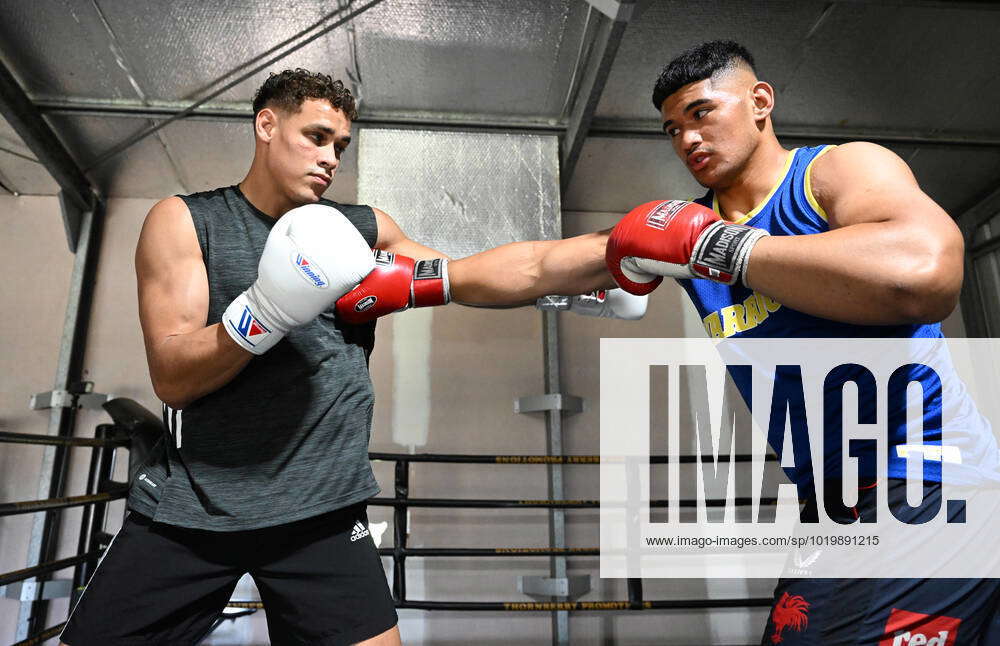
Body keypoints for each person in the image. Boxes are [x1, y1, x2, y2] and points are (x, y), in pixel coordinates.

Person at [58, 69, 642, 646]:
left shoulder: (361, 231)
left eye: (340, 146)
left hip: (323, 511)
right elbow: (172, 377)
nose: (332, 158)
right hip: (195, 505)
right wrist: (266, 309)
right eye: (315, 137)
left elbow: (473, 276)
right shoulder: (189, 220)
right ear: (266, 124)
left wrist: (599, 268)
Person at [603, 40, 1000, 644]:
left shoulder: (832, 173)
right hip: (845, 501)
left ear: (759, 101)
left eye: (701, 112)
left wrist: (729, 251)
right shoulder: (683, 231)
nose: (686, 139)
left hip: (924, 484)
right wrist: (430, 278)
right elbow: (544, 265)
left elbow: (927, 271)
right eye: (671, 129)